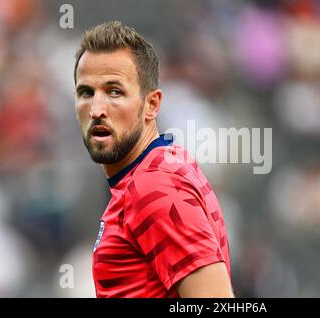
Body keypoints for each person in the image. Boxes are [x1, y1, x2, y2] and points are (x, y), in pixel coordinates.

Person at [73, 21, 233, 298]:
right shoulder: (156, 170)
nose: (96, 109)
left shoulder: (154, 185)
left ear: (152, 105)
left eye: (114, 92)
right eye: (86, 92)